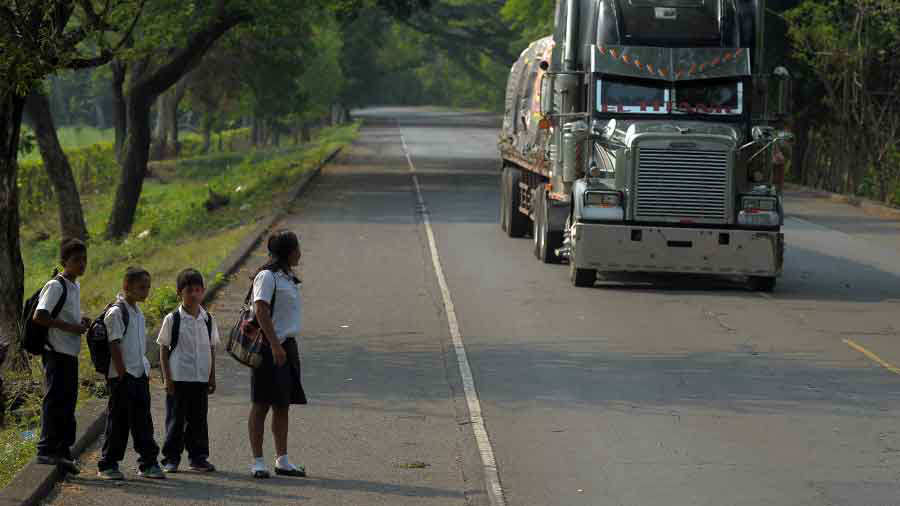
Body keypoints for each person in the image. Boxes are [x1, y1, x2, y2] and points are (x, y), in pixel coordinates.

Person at [248, 230, 307, 479]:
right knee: (261, 404)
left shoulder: (287, 277)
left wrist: (283, 347)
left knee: (283, 405)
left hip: (287, 346)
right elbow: (260, 311)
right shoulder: (267, 276)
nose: (300, 253)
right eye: (297, 248)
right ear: (287, 251)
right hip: (270, 347)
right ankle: (257, 461)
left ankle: (282, 459)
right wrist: (274, 345)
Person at [96, 267, 165, 480]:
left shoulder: (136, 311)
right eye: (141, 287)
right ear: (127, 286)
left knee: (143, 421)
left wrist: (142, 370)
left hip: (138, 375)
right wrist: (122, 372)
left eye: (148, 287)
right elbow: (114, 343)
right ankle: (108, 464)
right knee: (118, 422)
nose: (146, 291)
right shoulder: (117, 312)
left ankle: (148, 462)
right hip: (122, 377)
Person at [33, 238, 91, 475]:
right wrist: (71, 327)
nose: (81, 264)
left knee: (68, 402)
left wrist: (80, 323)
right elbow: (40, 316)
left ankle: (63, 450)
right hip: (55, 353)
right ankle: (46, 449)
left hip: (69, 353)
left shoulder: (74, 286)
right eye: (76, 260)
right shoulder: (56, 285)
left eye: (84, 259)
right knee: (54, 400)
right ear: (64, 261)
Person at [157, 268, 220, 473]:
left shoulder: (208, 319)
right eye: (189, 290)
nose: (193, 294)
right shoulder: (172, 319)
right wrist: (167, 378)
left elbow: (212, 348)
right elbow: (164, 349)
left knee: (198, 421)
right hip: (179, 378)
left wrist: (212, 376)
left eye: (197, 290)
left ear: (203, 291)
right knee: (176, 420)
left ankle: (198, 457)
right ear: (180, 293)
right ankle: (171, 458)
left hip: (200, 378)